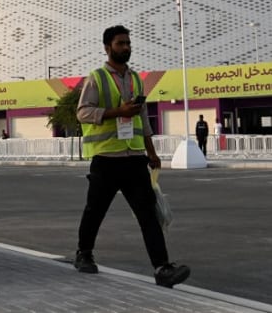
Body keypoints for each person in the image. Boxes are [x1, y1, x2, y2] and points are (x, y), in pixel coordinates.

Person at [74, 25, 190, 288]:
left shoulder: (137, 79)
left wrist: (152, 152)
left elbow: (142, 118)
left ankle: (162, 268)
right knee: (95, 210)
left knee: (148, 214)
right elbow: (82, 113)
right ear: (107, 47)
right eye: (120, 43)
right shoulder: (97, 78)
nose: (126, 47)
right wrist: (117, 111)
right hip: (106, 158)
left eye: (128, 43)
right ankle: (84, 254)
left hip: (135, 158)